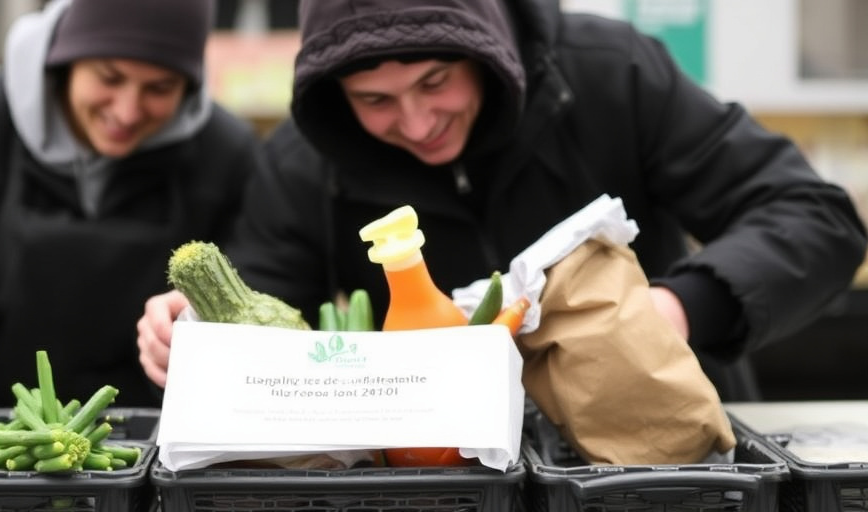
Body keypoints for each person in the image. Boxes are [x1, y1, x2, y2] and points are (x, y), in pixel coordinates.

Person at [137, 0, 868, 402]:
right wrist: (209, 324)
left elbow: (814, 217)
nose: (418, 124)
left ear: (486, 47)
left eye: (435, 82)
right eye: (374, 101)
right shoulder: (302, 162)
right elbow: (272, 309)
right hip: (437, 468)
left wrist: (678, 308)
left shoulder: (611, 74)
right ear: (335, 99)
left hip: (663, 443)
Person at [0, 0, 263, 407]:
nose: (127, 111)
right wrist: (34, 389)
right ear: (66, 61)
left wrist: (178, 344)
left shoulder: (227, 153)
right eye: (110, 78)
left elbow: (252, 297)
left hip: (143, 432)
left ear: (190, 85)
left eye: (159, 88)